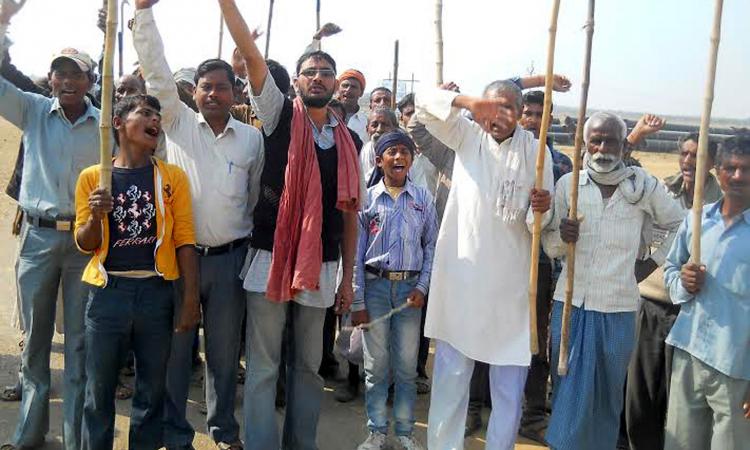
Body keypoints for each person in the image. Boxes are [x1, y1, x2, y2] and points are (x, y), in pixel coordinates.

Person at [218, 1, 363, 449]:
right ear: (296, 82)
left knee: (307, 366)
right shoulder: (279, 115)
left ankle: (301, 444)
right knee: (263, 364)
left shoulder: (350, 138)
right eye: (309, 71)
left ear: (336, 85)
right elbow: (249, 51)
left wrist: (347, 278)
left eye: (325, 71)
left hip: (322, 263)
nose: (317, 76)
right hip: (270, 256)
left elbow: (349, 212)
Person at [132, 1, 265, 448]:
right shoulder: (179, 126)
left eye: (221, 87)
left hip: (231, 262)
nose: (213, 94)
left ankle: (223, 430)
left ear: (235, 92)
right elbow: (156, 73)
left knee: (225, 357)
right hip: (182, 259)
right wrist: (143, 15)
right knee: (177, 351)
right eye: (205, 87)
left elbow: (253, 196)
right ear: (194, 93)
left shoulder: (251, 139)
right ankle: (176, 432)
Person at [416, 80, 554, 450]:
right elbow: (423, 101)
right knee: (451, 379)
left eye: (509, 107)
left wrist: (543, 207)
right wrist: (468, 103)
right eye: (493, 106)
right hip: (461, 281)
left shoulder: (537, 151)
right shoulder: (466, 134)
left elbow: (542, 222)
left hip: (509, 289)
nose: (499, 115)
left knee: (508, 389)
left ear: (522, 112)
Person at [541, 112, 684, 450]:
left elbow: (679, 225)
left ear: (624, 144)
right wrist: (564, 236)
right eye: (597, 140)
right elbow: (550, 247)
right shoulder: (570, 185)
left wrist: (649, 264)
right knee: (568, 390)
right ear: (585, 143)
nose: (604, 147)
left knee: (607, 394)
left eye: (612, 141)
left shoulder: (643, 185)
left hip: (619, 308)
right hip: (571, 307)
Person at [0, 2, 102, 448]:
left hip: (85, 241)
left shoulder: (106, 126)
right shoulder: (33, 111)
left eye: (75, 74)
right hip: (38, 238)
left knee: (79, 343)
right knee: (35, 341)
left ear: (90, 81)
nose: (65, 81)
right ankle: (29, 433)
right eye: (59, 73)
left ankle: (75, 437)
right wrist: (3, 19)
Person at [74, 94, 199, 449]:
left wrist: (190, 298)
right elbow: (84, 243)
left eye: (157, 115)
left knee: (151, 390)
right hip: (107, 294)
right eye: (145, 113)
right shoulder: (93, 178)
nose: (155, 121)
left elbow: (185, 239)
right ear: (118, 124)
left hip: (156, 294)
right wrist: (97, 214)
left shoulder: (171, 177)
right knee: (98, 391)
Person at [625, 132, 723, 450]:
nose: (689, 161)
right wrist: (635, 135)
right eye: (685, 153)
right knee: (640, 393)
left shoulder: (720, 204)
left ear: (713, 162)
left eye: (698, 155)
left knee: (677, 398)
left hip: (690, 313)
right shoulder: (660, 190)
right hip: (650, 304)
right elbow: (618, 169)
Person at [662, 133, 750, 450]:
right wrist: (683, 282)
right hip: (689, 354)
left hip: (738, 368)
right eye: (731, 167)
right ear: (718, 169)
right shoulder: (697, 220)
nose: (738, 176)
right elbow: (671, 269)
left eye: (747, 169)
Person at [354, 130, 438, 450]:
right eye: (392, 152)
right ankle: (376, 431)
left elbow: (431, 246)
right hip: (375, 288)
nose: (399, 157)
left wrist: (422, 286)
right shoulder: (367, 199)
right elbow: (356, 254)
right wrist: (358, 298)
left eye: (405, 151)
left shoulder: (422, 199)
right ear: (380, 160)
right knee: (376, 366)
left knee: (405, 367)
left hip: (408, 292)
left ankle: (404, 431)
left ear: (412, 159)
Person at [516, 89, 573, 442]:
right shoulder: (506, 154)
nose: (533, 119)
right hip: (507, 260)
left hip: (542, 262)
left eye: (540, 113)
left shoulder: (563, 164)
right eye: (528, 112)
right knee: (497, 333)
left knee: (537, 339)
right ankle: (480, 405)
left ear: (550, 118)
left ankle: (534, 413)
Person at [361, 107, 400, 183]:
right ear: (367, 129)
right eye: (374, 125)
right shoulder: (365, 151)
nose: (379, 129)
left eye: (385, 125)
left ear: (395, 128)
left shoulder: (405, 152)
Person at [337, 68, 369, 143]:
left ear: (361, 93)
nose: (348, 90)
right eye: (345, 85)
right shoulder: (325, 115)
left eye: (354, 87)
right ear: (338, 89)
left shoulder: (366, 122)